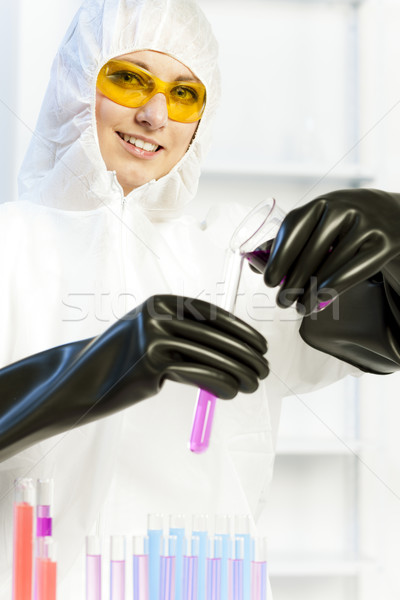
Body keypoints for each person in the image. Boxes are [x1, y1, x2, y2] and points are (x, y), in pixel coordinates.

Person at [0, 0, 399, 596]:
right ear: (78, 85)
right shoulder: (10, 247)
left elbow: (385, 338)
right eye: (130, 79)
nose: (154, 115)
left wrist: (397, 238)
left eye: (184, 95)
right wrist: (87, 372)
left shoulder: (237, 259)